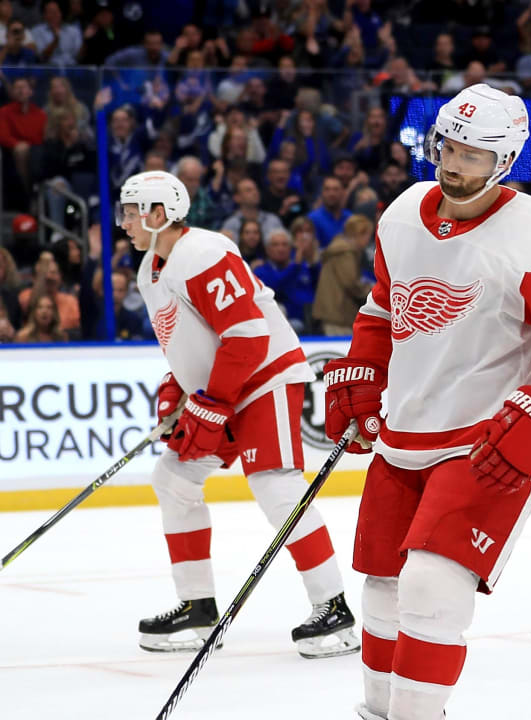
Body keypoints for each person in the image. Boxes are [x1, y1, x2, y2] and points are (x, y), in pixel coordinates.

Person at [321, 83, 531, 720]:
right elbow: (381, 306)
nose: (454, 165)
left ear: (506, 160)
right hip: (406, 435)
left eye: (474, 156)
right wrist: (363, 370)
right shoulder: (401, 213)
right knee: (382, 583)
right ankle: (379, 710)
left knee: (432, 584)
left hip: (484, 442)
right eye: (448, 147)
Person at [116, 171, 358, 659]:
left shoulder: (204, 253)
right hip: (222, 390)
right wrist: (179, 389)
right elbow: (190, 341)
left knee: (276, 486)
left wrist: (212, 403)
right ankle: (198, 608)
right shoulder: (151, 269)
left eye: (130, 211)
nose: (124, 222)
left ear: (158, 214)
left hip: (263, 379)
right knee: (174, 478)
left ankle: (333, 609)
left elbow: (248, 334)